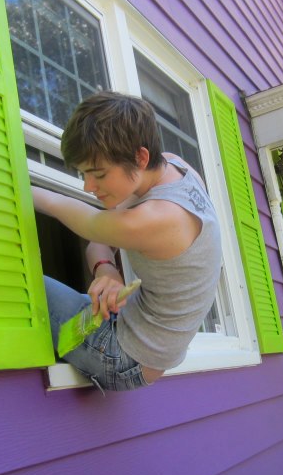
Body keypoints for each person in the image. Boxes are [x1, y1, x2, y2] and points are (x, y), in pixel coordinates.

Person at [31, 91, 222, 392]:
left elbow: (84, 221)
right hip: (129, 329)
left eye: (99, 174)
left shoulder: (159, 218)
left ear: (140, 157)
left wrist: (9, 183)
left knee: (19, 283)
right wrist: (106, 270)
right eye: (83, 174)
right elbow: (99, 241)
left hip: (121, 359)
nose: (88, 186)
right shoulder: (174, 167)